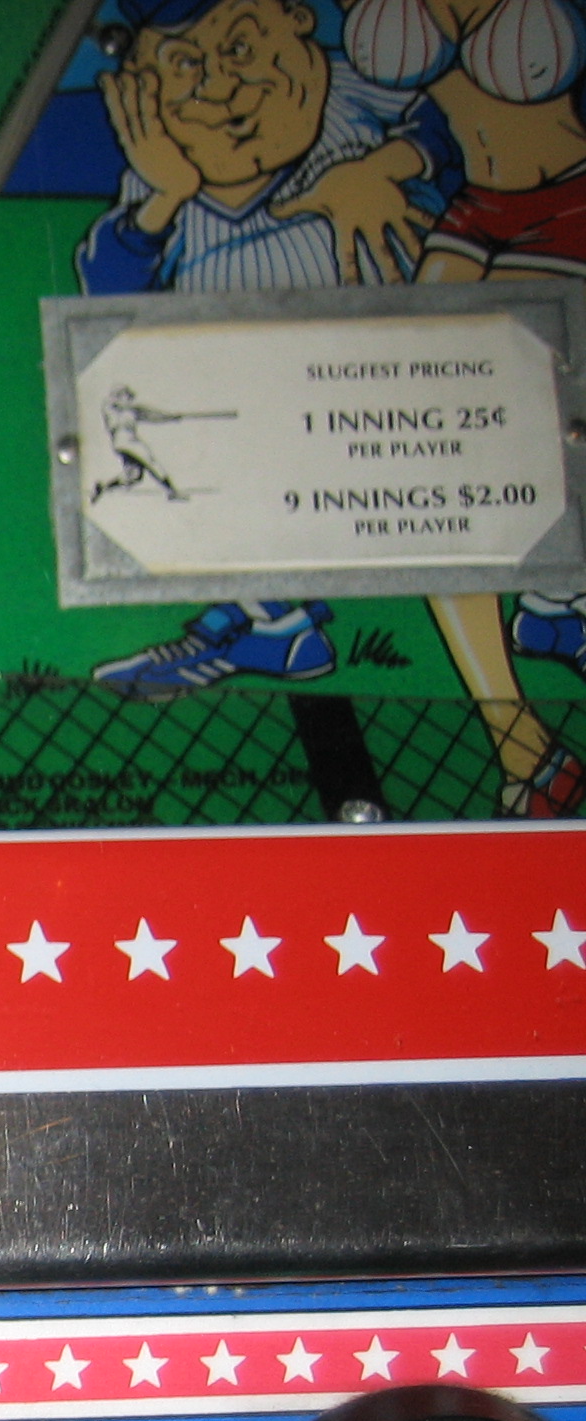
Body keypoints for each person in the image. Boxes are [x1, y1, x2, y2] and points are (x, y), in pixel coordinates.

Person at [77, 0, 460, 701]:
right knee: (143, 443)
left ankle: (281, 624)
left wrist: (384, 167)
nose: (220, 88)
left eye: (240, 49)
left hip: (405, 391)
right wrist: (166, 197)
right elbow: (103, 286)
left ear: (295, 19)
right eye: (184, 67)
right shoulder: (169, 169)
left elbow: (461, 120)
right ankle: (265, 618)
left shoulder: (353, 94)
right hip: (257, 407)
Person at [357, 0, 586, 813]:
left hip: (572, 207)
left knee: (537, 411)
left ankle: (560, 600)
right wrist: (376, 170)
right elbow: (430, 127)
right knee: (430, 479)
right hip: (477, 213)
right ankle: (526, 752)